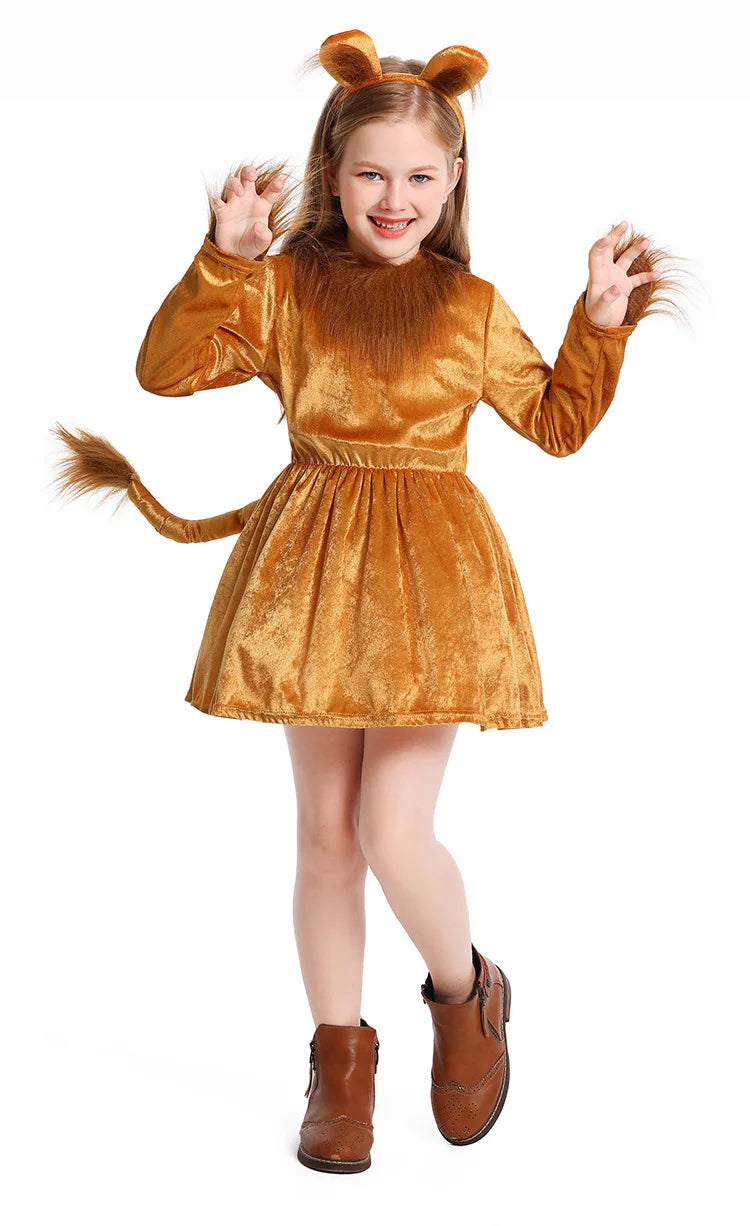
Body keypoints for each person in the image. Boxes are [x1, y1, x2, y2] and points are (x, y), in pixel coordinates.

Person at [49, 28, 687, 1175]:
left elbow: (555, 423)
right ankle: (340, 1062)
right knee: (324, 836)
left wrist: (598, 322)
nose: (396, 200)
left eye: (420, 177)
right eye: (372, 175)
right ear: (333, 176)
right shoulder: (286, 288)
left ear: (454, 183)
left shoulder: (469, 304)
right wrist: (225, 260)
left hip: (432, 586)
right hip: (311, 572)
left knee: (393, 829)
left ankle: (465, 989)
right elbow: (165, 370)